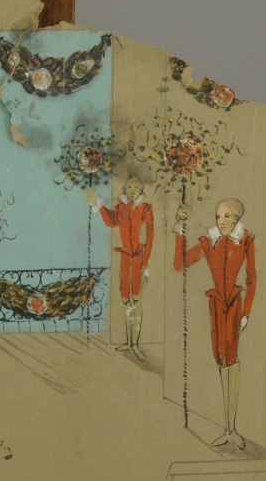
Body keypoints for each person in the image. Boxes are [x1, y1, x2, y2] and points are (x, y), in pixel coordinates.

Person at [173, 197, 256, 449]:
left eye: (228, 216)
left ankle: (232, 428)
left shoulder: (246, 240)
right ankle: (227, 429)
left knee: (232, 361)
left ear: (237, 218)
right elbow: (179, 263)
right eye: (219, 216)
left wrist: (246, 313)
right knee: (221, 361)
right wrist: (179, 230)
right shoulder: (208, 241)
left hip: (235, 306)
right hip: (217, 305)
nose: (222, 221)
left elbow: (252, 279)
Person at [87, 175, 154, 360]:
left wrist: (146, 264)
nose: (131, 190)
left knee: (136, 299)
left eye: (135, 187)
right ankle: (129, 341)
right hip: (125, 258)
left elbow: (150, 237)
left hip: (139, 258)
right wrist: (98, 204)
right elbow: (110, 222)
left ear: (141, 190)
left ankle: (135, 344)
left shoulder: (146, 209)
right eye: (129, 187)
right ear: (125, 188)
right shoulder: (121, 208)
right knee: (125, 299)